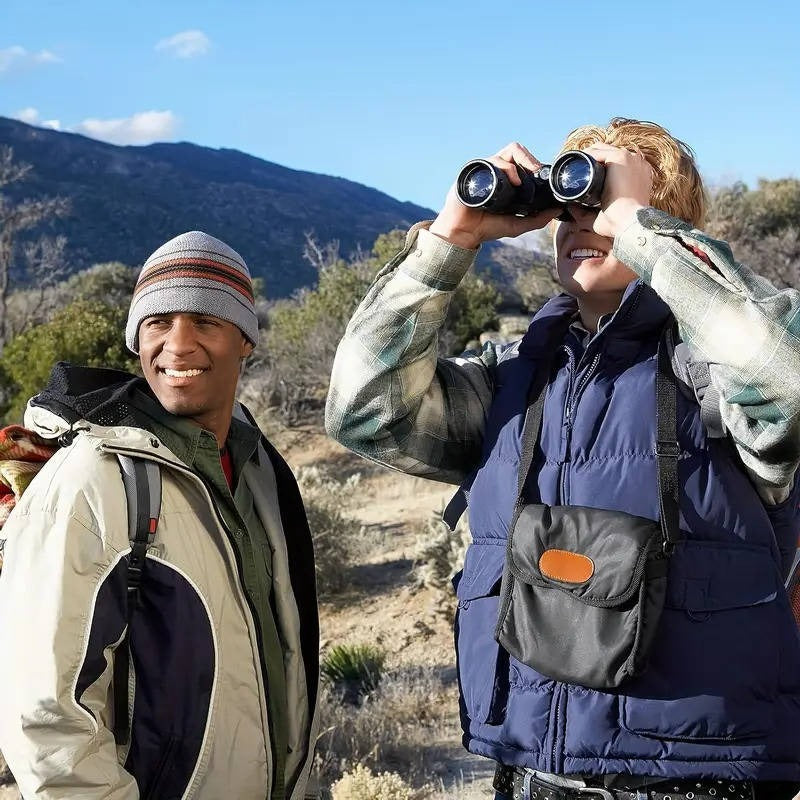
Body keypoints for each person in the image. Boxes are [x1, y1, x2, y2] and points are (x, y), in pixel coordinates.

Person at [325, 119, 800, 800]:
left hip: (697, 779)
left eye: (602, 199)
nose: (584, 220)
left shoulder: (716, 375)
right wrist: (451, 238)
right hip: (530, 771)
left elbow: (787, 380)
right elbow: (362, 407)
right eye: (571, 202)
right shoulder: (514, 378)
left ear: (661, 222)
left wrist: (638, 223)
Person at [0, 231, 319, 799]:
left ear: (245, 338)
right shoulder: (92, 480)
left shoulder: (257, 466)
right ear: (135, 339)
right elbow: (46, 718)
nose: (178, 344)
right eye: (158, 322)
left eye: (206, 321)